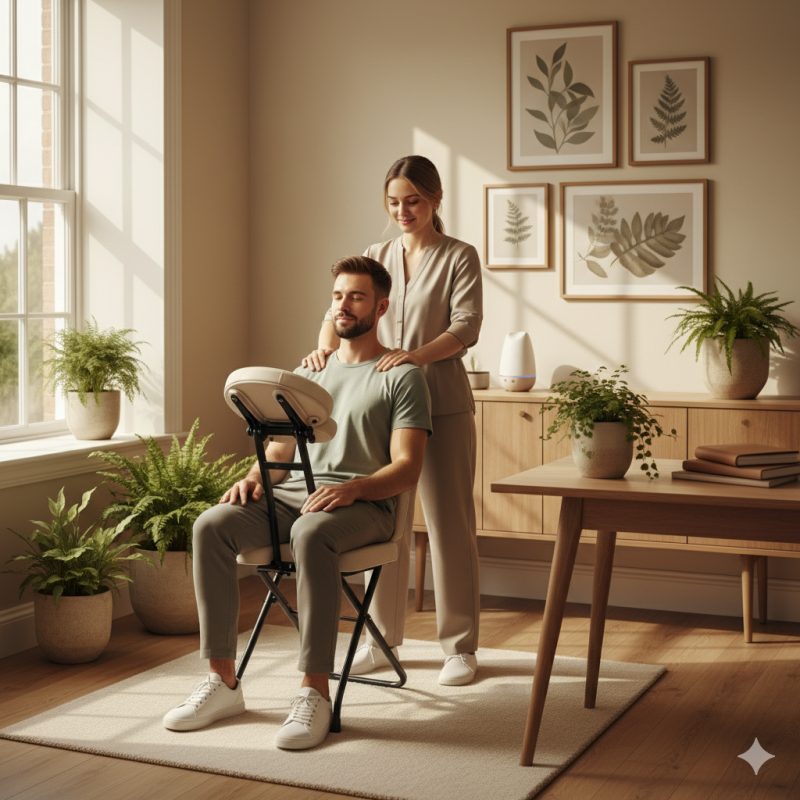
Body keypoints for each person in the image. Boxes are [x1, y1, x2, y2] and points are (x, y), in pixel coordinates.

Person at [162, 256, 432, 750]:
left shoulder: (402, 375)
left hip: (364, 507)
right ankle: (223, 683)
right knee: (210, 525)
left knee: (310, 532)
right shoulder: (311, 372)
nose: (343, 306)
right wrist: (252, 477)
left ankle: (315, 692)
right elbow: (281, 453)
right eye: (337, 296)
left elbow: (407, 467)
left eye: (356, 296)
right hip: (292, 498)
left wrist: (351, 489)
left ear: (382, 306)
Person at [303, 155, 482, 686]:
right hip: (379, 409)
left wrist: (413, 357)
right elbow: (335, 315)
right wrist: (322, 356)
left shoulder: (459, 256)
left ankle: (460, 648)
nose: (403, 210)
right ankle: (381, 640)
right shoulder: (376, 254)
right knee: (385, 521)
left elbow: (467, 327)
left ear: (434, 200)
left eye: (413, 201)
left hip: (442, 404)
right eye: (394, 202)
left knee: (450, 526)